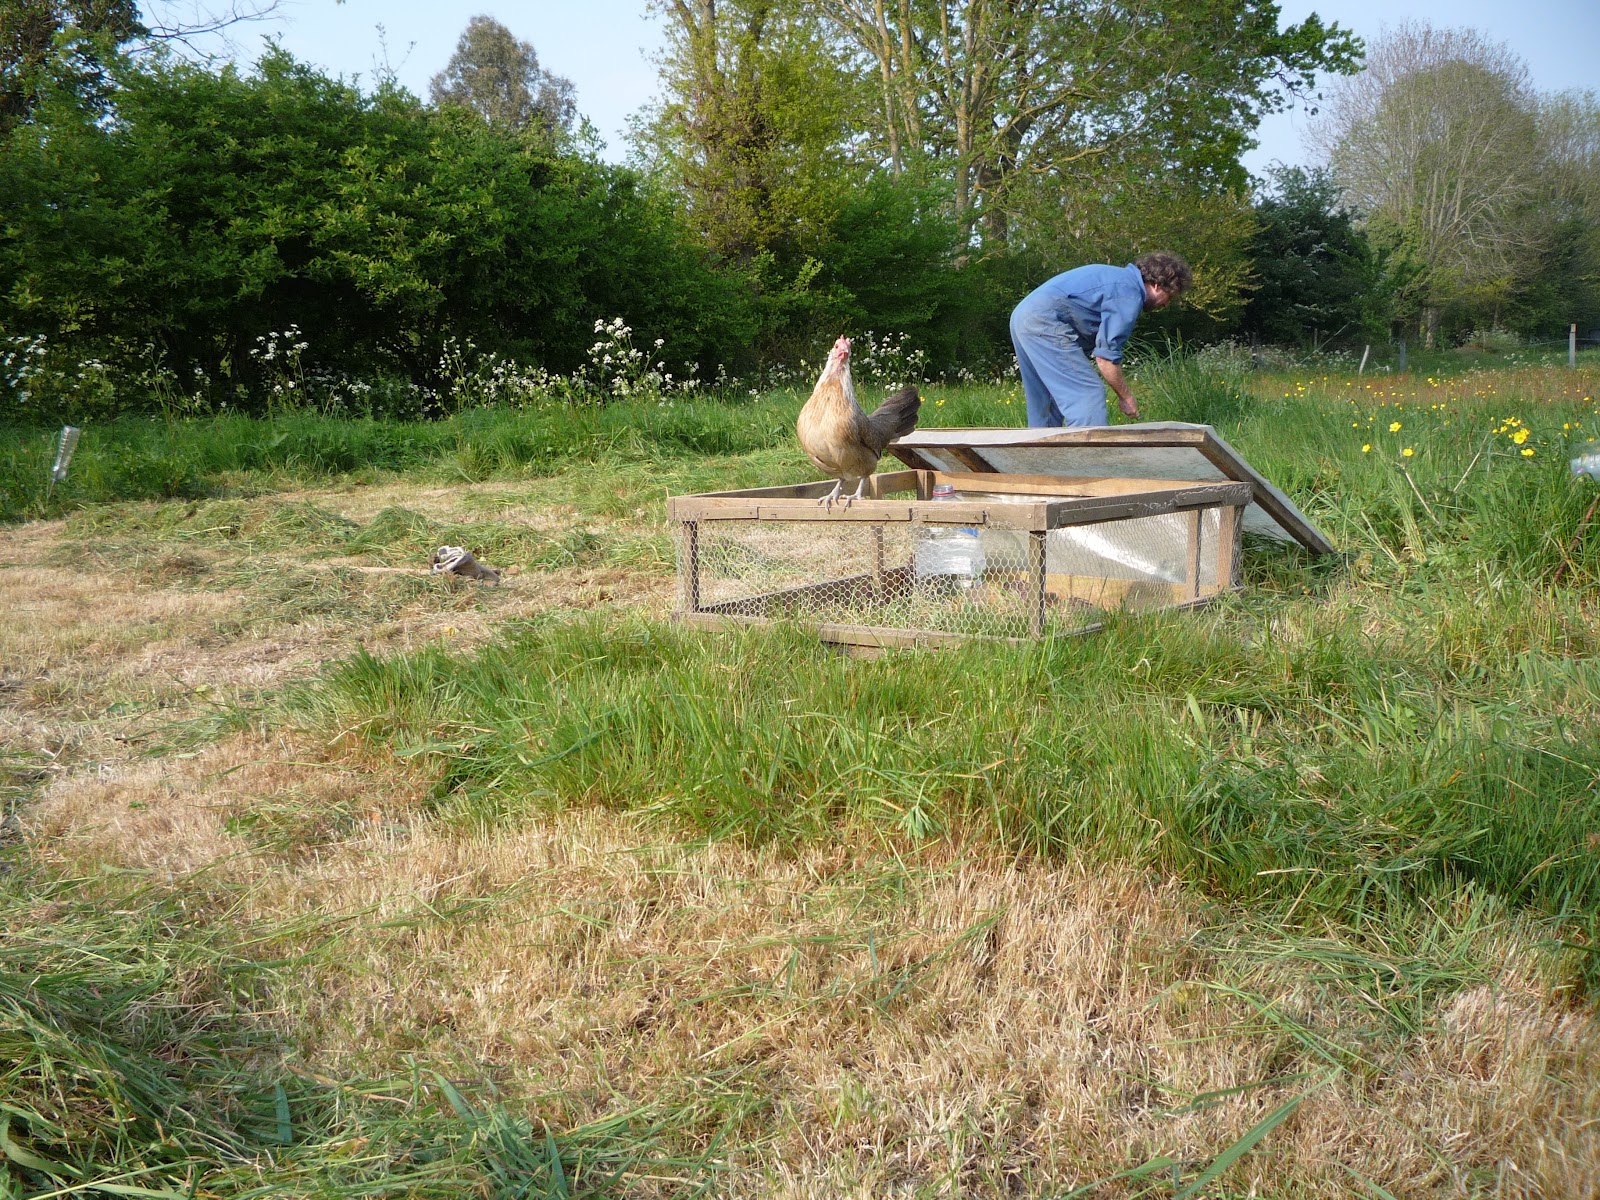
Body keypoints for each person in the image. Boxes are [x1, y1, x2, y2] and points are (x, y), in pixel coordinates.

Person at [1009, 251, 1192, 428]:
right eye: (1170, 297)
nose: (1166, 304)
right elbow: (1105, 359)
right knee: (1087, 395)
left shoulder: (1115, 278)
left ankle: (1040, 458)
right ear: (1157, 285)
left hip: (1022, 316)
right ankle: (1088, 458)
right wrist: (1126, 397)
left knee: (1045, 401)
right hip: (1043, 321)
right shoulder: (1129, 292)